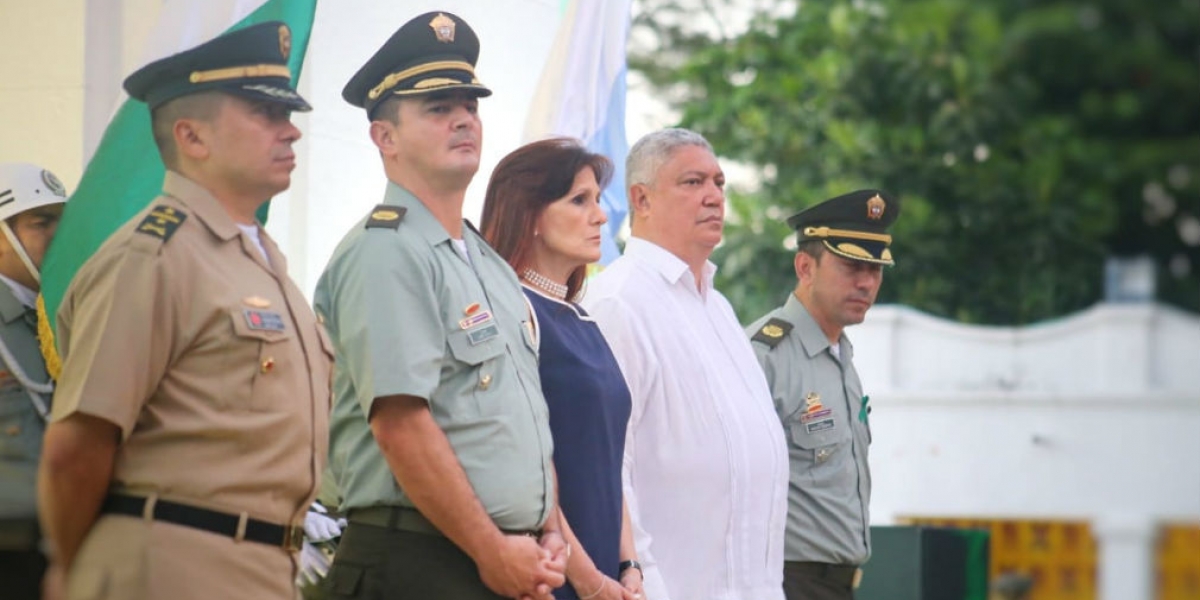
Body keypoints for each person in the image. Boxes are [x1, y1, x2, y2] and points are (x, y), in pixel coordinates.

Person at [37, 22, 333, 600]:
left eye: (287, 115)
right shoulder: (153, 255)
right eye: (264, 115)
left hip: (263, 565)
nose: (291, 132)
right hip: (172, 564)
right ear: (192, 137)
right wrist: (78, 570)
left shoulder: (260, 260)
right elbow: (78, 446)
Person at [315, 11, 566, 600]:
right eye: (437, 108)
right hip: (418, 560)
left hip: (496, 560)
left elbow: (521, 417)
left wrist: (547, 528)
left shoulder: (487, 263)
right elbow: (401, 423)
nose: (463, 119)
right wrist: (492, 548)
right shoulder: (388, 250)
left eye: (470, 106)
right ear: (385, 137)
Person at [582, 128, 789, 600]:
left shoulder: (719, 308)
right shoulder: (618, 302)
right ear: (642, 199)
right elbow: (611, 464)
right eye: (693, 182)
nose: (714, 196)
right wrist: (645, 582)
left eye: (719, 183)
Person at [479, 138, 643, 600]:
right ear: (529, 214)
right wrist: (589, 580)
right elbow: (530, 460)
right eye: (579, 200)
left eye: (597, 199)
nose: (601, 215)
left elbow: (608, 460)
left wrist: (629, 565)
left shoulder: (581, 317)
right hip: (551, 578)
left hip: (606, 576)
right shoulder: (511, 312)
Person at [745, 190, 901, 600]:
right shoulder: (764, 356)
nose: (867, 282)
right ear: (804, 266)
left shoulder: (841, 355)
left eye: (875, 269)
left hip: (837, 585)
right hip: (784, 582)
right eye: (852, 267)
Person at [0, 162, 67, 600]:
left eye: (65, 221)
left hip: (63, 536)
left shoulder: (63, 315)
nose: (60, 235)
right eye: (42, 222)